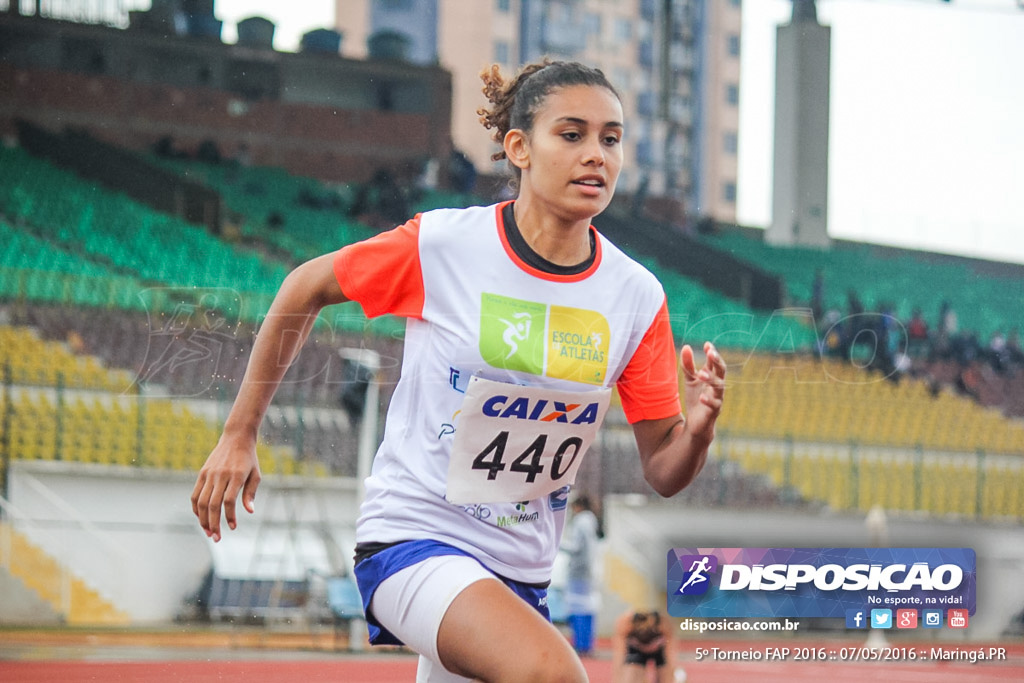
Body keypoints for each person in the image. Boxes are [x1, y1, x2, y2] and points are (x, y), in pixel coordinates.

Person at [190, 59, 727, 682]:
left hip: (522, 576)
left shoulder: (635, 296)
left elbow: (663, 468)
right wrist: (239, 434)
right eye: (572, 134)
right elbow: (302, 287)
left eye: (611, 138)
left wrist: (700, 430)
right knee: (554, 674)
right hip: (414, 541)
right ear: (519, 148)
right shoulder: (444, 247)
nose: (596, 155)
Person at [560, 495, 600, 655]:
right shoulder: (591, 520)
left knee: (576, 608)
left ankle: (580, 643)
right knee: (587, 607)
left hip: (578, 571)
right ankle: (586, 643)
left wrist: (558, 545)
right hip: (589, 571)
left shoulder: (580, 522)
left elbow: (576, 547)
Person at [611, 610, 677, 683]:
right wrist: (617, 678)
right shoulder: (626, 622)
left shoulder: (663, 622)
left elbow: (670, 653)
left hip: (659, 651)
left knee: (666, 678)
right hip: (637, 650)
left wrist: (671, 673)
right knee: (631, 677)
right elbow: (620, 654)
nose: (644, 628)